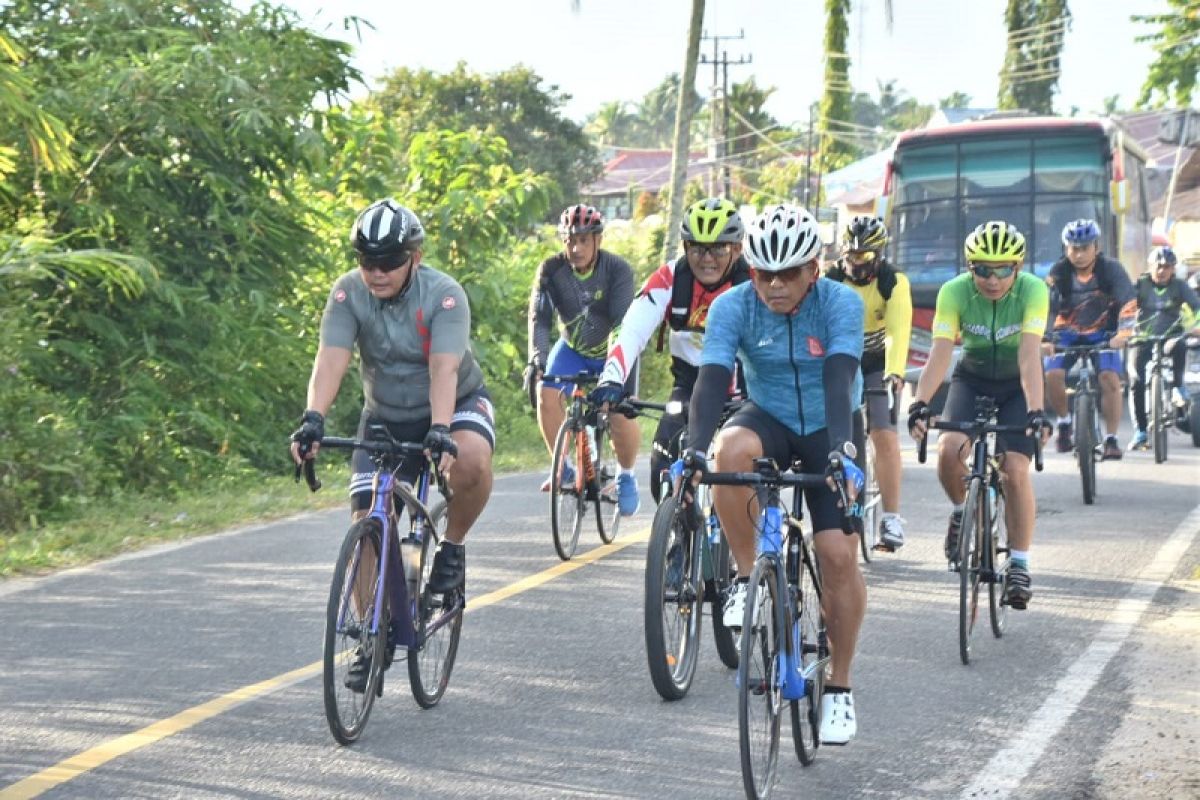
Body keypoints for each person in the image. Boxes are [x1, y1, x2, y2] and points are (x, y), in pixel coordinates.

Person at [290, 199, 495, 688]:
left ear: (415, 256)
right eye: (367, 261)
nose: (376, 273)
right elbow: (330, 358)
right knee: (368, 525)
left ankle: (452, 546)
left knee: (469, 462)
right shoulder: (347, 295)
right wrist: (313, 419)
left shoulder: (444, 295)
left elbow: (443, 368)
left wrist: (441, 429)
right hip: (384, 415)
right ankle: (370, 634)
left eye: (388, 262)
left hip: (454, 404)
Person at [681, 203, 867, 745]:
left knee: (836, 556)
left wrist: (841, 453)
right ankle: (745, 577)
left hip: (830, 426)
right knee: (727, 452)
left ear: (814, 268)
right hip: (771, 417)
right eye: (764, 273)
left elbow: (839, 383)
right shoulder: (734, 306)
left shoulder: (841, 303)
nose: (776, 285)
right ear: (751, 269)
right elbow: (711, 381)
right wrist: (693, 451)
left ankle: (840, 686)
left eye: (789, 274)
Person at [907, 221, 1051, 611]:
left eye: (1003, 269)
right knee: (948, 450)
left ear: (1017, 268)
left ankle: (1019, 563)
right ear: (970, 268)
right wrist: (921, 402)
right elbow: (939, 354)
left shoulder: (1034, 291)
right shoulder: (953, 292)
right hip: (971, 378)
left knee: (1015, 470)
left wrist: (1036, 411)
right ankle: (960, 512)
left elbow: (1028, 355)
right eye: (982, 269)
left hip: (1015, 386)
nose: (992, 279)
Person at [589, 197, 751, 503]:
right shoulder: (672, 278)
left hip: (746, 393)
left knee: (741, 473)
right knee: (660, 468)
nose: (707, 258)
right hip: (689, 388)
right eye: (696, 247)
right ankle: (678, 533)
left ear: (738, 249)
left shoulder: (756, 283)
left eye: (719, 248)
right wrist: (610, 380)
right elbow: (631, 330)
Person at [524, 204, 641, 514]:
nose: (575, 248)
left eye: (583, 241)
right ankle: (563, 466)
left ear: (597, 240)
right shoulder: (551, 270)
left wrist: (614, 375)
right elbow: (540, 319)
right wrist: (537, 358)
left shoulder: (617, 270)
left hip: (614, 350)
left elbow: (622, 327)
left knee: (620, 413)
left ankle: (627, 475)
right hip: (572, 350)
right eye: (569, 240)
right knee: (546, 393)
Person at [825, 215, 913, 550]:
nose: (855, 263)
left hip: (878, 361)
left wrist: (895, 373)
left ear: (878, 255)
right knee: (840, 429)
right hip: (842, 357)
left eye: (863, 256)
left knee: (884, 435)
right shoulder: (831, 278)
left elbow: (897, 331)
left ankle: (891, 518)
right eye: (850, 255)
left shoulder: (892, 281)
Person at [1043, 219, 1136, 459]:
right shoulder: (1058, 272)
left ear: (1096, 246)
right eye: (1074, 248)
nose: (1079, 253)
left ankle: (1111, 439)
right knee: (1052, 375)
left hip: (1103, 333)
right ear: (1066, 249)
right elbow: (1046, 307)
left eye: (1085, 247)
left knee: (1109, 378)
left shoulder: (1111, 268)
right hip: (1066, 333)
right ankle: (1064, 423)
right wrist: (1046, 338)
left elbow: (1128, 300)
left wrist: (1124, 333)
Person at [1128, 245, 1200, 449]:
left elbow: (1197, 307)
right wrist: (1124, 330)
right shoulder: (1141, 285)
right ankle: (1141, 431)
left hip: (1170, 335)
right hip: (1143, 336)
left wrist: (1197, 325)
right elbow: (1126, 307)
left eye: (1167, 267)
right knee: (1136, 379)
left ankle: (1177, 387)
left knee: (1180, 346)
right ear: (1150, 267)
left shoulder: (1180, 286)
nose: (1162, 271)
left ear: (1173, 269)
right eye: (1158, 266)